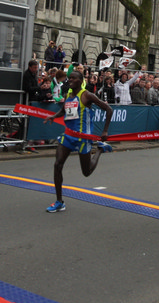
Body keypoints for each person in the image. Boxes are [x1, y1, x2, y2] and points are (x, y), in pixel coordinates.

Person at [44, 70, 113, 213]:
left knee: (86, 172)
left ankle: (100, 150)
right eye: (69, 78)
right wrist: (54, 116)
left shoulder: (87, 95)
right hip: (68, 135)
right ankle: (59, 202)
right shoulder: (68, 94)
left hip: (83, 138)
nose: (70, 80)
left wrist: (105, 131)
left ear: (81, 81)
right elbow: (64, 110)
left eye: (73, 78)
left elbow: (109, 109)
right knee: (57, 164)